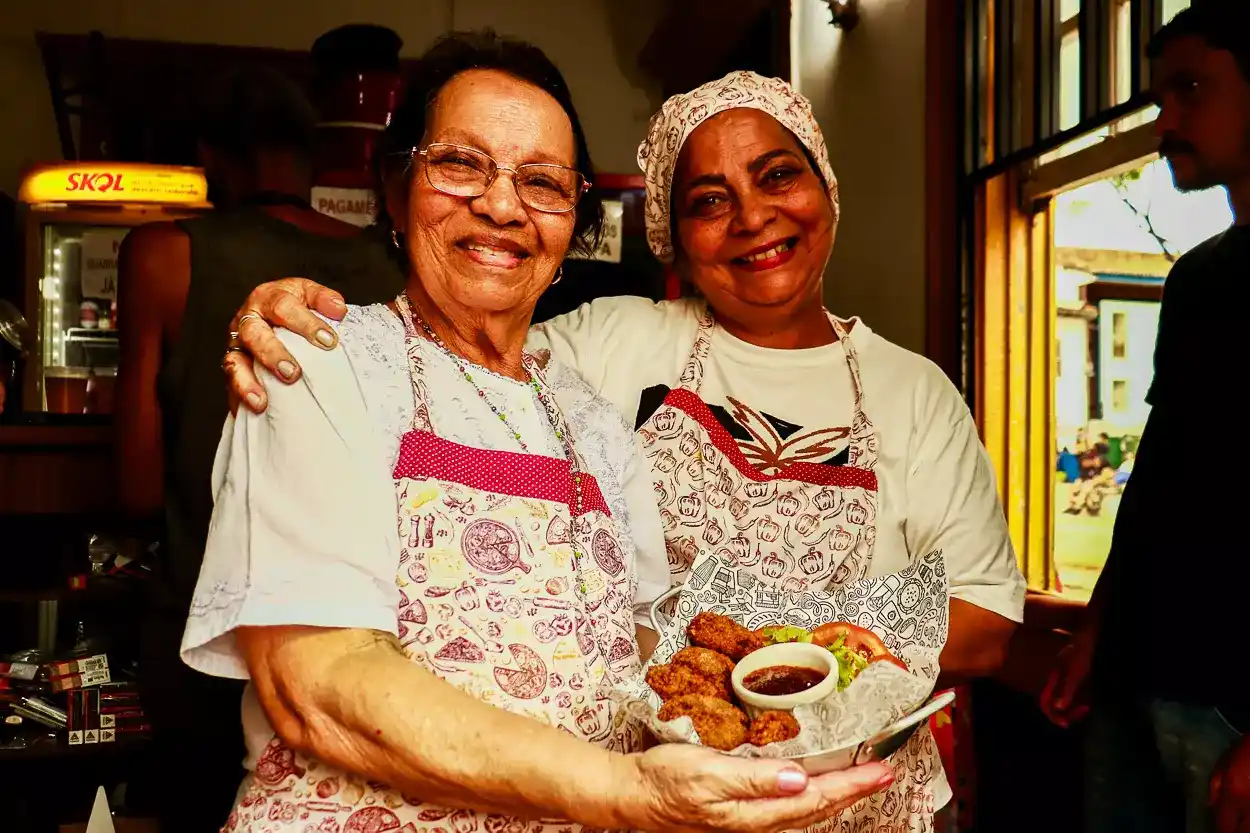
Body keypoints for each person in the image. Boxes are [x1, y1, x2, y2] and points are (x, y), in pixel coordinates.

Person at [222, 66, 1026, 831]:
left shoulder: (914, 393)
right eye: (710, 200)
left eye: (779, 176)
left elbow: (987, 619)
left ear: (827, 190)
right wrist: (293, 316)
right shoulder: (610, 347)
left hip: (835, 789)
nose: (752, 217)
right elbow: (458, 340)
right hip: (649, 797)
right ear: (672, 235)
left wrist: (785, 665)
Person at [113, 66, 403, 832]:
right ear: (312, 156)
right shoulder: (385, 265)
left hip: (199, 619)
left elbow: (136, 486)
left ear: (210, 153)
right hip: (357, 627)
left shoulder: (162, 254)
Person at [1040, 7, 1250, 833]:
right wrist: (1095, 627)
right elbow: (1162, 469)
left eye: (1189, 88)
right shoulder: (1196, 281)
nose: (1164, 120)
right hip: (1138, 678)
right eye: (1160, 95)